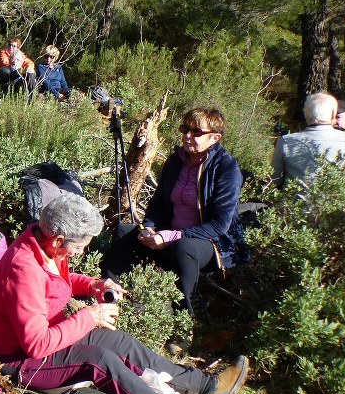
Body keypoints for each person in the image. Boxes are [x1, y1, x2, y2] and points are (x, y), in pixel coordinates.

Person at [0, 191, 247, 394]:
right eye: (80, 245)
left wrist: (92, 284)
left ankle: (206, 387)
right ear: (58, 240)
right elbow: (36, 344)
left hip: (48, 333)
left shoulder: (43, 244)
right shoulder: (24, 269)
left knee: (120, 342)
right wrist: (89, 317)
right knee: (99, 363)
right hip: (17, 356)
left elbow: (54, 281)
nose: (82, 250)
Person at [102, 107, 248, 318]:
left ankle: (184, 322)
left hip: (211, 242)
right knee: (125, 231)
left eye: (196, 132)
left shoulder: (226, 168)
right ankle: (111, 295)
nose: (188, 136)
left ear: (215, 138)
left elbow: (220, 224)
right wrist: (150, 228)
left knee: (184, 247)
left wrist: (173, 235)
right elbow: (159, 202)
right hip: (169, 233)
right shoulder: (176, 160)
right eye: (185, 129)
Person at [271, 92, 345, 186]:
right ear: (333, 113)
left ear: (305, 113)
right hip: (336, 199)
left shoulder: (285, 141)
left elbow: (274, 180)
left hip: (294, 200)